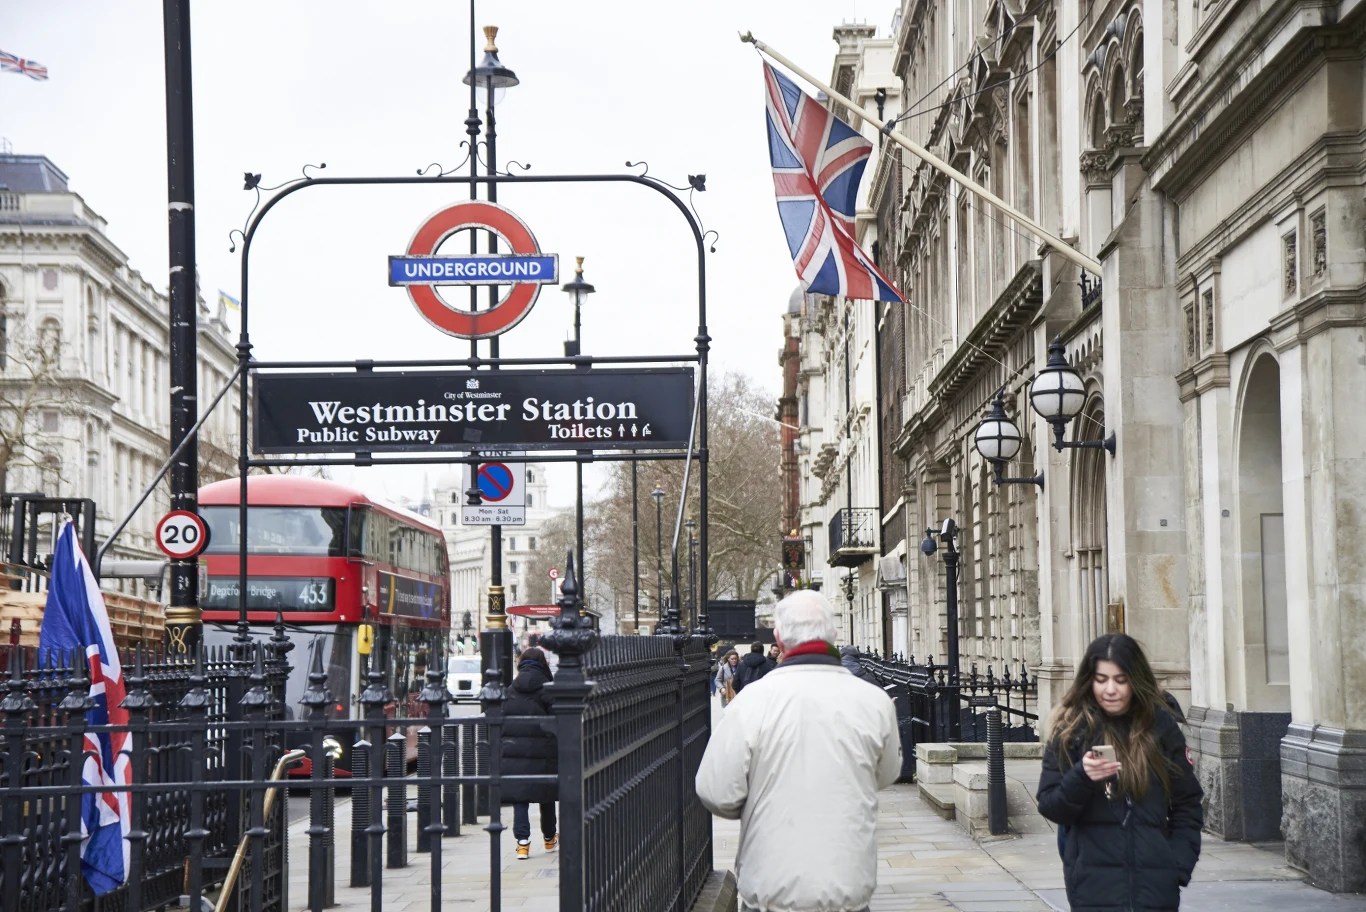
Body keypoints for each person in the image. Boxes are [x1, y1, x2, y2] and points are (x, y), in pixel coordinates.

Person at [696, 590, 901, 912]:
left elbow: (717, 792)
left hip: (771, 887)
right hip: (846, 887)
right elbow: (887, 774)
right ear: (833, 635)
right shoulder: (873, 700)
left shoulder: (751, 702)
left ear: (779, 637)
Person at [1036, 634, 1203, 911]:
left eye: (1121, 680)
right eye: (1101, 680)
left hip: (1155, 890)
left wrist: (1176, 866)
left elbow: (1187, 804)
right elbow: (1052, 806)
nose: (1110, 689)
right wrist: (1082, 777)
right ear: (1090, 680)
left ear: (1135, 680)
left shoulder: (1161, 727)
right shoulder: (1071, 731)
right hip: (1094, 889)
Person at [500, 647, 559, 860]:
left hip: (515, 749)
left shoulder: (510, 689)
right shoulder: (547, 689)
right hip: (543, 750)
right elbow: (557, 721)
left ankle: (522, 844)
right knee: (547, 796)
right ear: (543, 663)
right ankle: (549, 839)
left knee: (520, 797)